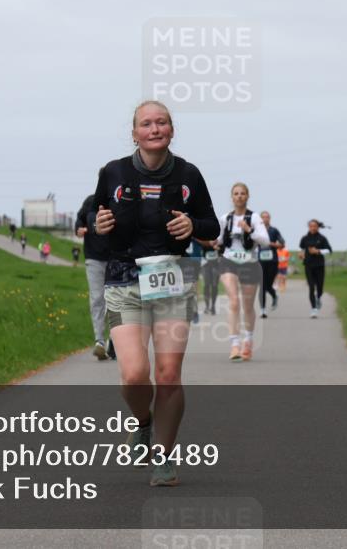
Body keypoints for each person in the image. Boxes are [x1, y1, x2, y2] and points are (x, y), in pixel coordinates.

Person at [92, 100, 218, 487]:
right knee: (134, 375)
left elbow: (211, 225)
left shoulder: (188, 174)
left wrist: (192, 225)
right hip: (123, 280)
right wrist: (98, 223)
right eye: (146, 124)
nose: (155, 129)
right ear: (135, 133)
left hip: (171, 279)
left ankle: (163, 457)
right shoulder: (112, 172)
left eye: (161, 122)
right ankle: (143, 423)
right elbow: (95, 217)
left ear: (171, 130)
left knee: (168, 375)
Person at [214, 183, 270, 362]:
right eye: (236, 193)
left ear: (247, 196)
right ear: (232, 197)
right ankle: (234, 344)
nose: (239, 196)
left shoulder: (254, 218)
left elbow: (265, 241)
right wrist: (213, 242)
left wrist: (249, 230)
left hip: (249, 263)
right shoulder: (225, 218)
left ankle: (248, 340)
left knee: (247, 305)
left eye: (242, 193)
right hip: (229, 261)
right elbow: (218, 239)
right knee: (233, 300)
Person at [76, 193, 114, 361]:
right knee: (97, 298)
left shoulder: (118, 200)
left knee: (115, 300)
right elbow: (80, 219)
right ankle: (99, 341)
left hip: (116, 258)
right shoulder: (90, 202)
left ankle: (114, 340)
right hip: (94, 258)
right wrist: (79, 229)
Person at [298, 219, 333, 318]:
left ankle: (318, 297)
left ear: (318, 227)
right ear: (308, 227)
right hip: (308, 265)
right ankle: (313, 309)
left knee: (320, 288)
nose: (313, 228)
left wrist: (318, 251)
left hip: (319, 266)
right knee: (311, 287)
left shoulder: (322, 238)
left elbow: (329, 250)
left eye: (314, 226)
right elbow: (301, 249)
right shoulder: (304, 238)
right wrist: (301, 254)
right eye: (311, 226)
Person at [257, 211, 284, 318]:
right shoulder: (256, 231)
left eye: (267, 217)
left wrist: (271, 244)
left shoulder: (274, 230)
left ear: (270, 218)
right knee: (262, 286)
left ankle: (274, 295)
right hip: (260, 261)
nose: (265, 219)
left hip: (272, 261)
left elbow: (282, 244)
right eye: (263, 217)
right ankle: (263, 309)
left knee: (268, 285)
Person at [195, 238, 220, 314]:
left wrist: (219, 247)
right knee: (206, 285)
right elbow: (199, 242)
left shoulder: (219, 236)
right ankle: (207, 306)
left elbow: (224, 247)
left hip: (216, 264)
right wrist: (209, 243)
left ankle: (213, 306)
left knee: (214, 285)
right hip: (205, 264)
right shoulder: (205, 237)